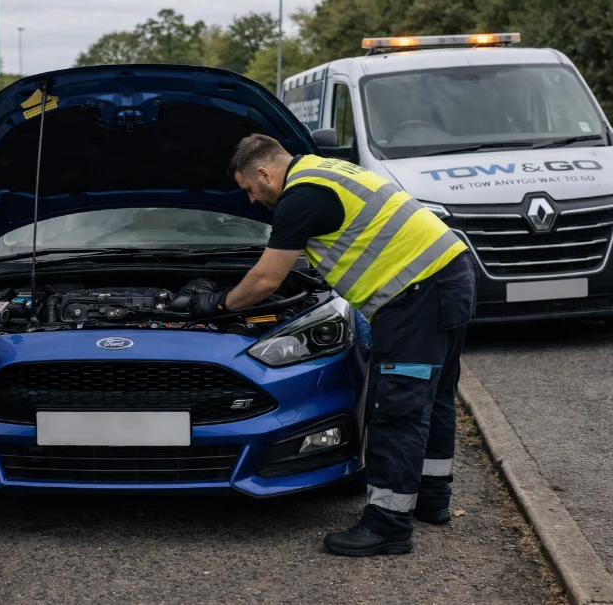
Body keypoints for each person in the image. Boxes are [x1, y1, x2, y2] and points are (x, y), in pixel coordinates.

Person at [192, 134, 478, 557]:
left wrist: (217, 304)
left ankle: (388, 526)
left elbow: (267, 280)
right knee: (432, 398)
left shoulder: (301, 196)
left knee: (397, 409)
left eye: (249, 190)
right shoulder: (324, 172)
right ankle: (431, 499)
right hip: (448, 277)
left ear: (265, 173)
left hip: (417, 296)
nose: (251, 200)